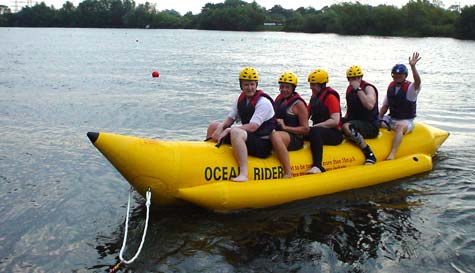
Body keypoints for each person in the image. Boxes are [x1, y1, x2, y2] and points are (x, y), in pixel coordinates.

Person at [206, 67, 276, 182]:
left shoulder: (264, 103)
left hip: (263, 144)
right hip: (248, 138)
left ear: (256, 84)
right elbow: (230, 119)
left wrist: (229, 130)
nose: (249, 88)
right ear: (241, 85)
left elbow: (253, 127)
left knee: (235, 131)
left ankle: (244, 173)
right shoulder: (241, 100)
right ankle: (209, 158)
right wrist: (220, 127)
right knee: (213, 126)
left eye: (252, 84)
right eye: (246, 85)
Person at [379, 52, 422, 160]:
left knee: (399, 128)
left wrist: (413, 67)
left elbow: (418, 82)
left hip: (406, 121)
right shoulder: (391, 86)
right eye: (395, 74)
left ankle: (392, 153)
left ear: (405, 76)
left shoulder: (411, 89)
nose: (397, 76)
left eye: (400, 75)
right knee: (373, 120)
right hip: (391, 118)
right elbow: (385, 106)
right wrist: (378, 117)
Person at [270, 72, 309, 178]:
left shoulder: (298, 104)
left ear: (293, 88)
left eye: (287, 87)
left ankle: (288, 172)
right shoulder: (279, 99)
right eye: (282, 87)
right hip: (281, 134)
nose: (284, 90)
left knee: (275, 135)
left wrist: (285, 127)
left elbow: (306, 129)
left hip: (295, 138)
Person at [305, 69, 343, 174]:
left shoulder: (330, 97)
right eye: (311, 84)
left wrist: (316, 127)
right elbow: (306, 115)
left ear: (322, 85)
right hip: (319, 130)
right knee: (305, 131)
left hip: (334, 133)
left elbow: (335, 120)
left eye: (314, 85)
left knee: (315, 131)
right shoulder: (314, 97)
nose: (311, 87)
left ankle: (317, 166)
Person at [342, 65, 379, 165]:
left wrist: (358, 89)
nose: (353, 81)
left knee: (347, 126)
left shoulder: (368, 88)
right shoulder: (349, 89)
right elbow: (349, 110)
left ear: (361, 77)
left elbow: (370, 105)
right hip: (355, 121)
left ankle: (369, 154)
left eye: (356, 78)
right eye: (351, 79)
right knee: (337, 121)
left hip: (370, 125)